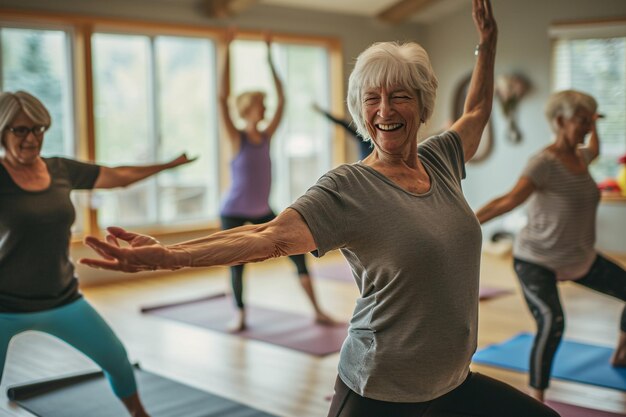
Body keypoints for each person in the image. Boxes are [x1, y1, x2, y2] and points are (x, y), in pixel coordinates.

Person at [80, 1, 558, 415]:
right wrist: (171, 256)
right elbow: (263, 236)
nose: (385, 110)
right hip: (381, 389)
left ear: (423, 104)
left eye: (399, 97)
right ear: (359, 109)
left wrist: (488, 44)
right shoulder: (349, 187)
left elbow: (475, 112)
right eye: (372, 99)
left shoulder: (443, 158)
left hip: (452, 381)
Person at [0, 90, 195, 417]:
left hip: (62, 298)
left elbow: (118, 176)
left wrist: (169, 164)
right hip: (4, 305)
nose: (31, 138)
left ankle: (139, 415)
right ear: (3, 131)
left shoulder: (60, 169)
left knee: (117, 360)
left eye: (38, 129)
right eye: (20, 130)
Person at [476, 89, 626, 402]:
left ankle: (622, 351)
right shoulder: (543, 163)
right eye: (582, 120)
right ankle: (537, 397)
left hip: (579, 258)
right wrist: (467, 221)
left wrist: (595, 123)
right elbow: (509, 200)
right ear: (560, 121)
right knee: (552, 322)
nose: (587, 127)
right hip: (536, 260)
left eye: (590, 120)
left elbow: (594, 148)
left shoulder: (582, 157)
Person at [218, 30, 333, 331]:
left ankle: (317, 310)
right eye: (261, 105)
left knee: (297, 253)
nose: (266, 109)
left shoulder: (266, 137)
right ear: (247, 109)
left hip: (261, 209)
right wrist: (226, 49)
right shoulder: (237, 137)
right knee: (237, 264)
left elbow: (281, 97)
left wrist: (270, 57)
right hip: (233, 210)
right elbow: (221, 97)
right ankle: (240, 314)